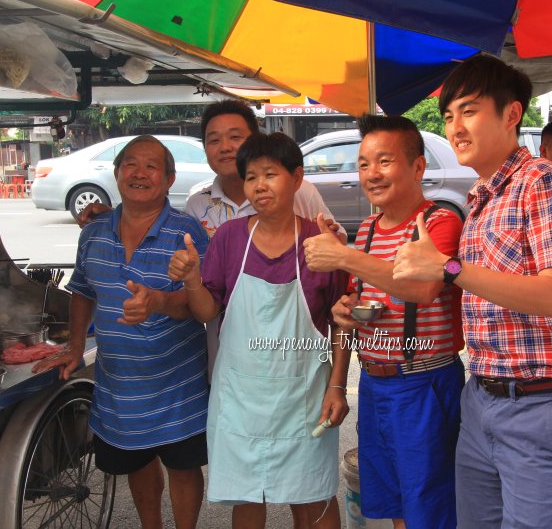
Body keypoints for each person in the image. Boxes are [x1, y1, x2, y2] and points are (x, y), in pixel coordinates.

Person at [392, 54, 552, 529]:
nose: (455, 127)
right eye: (448, 116)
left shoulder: (548, 183)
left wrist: (448, 268)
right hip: (483, 396)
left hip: (544, 405)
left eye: (469, 110)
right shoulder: (483, 196)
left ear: (511, 115)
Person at [79, 100, 345, 379]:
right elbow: (173, 239)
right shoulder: (199, 203)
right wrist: (115, 215)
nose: (225, 147)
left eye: (235, 137)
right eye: (214, 140)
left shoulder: (299, 191)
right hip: (229, 354)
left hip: (298, 356)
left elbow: (332, 250)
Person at [168, 132, 350, 529]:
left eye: (271, 174)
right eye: (252, 177)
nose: (260, 186)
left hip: (304, 395)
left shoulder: (322, 242)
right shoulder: (231, 238)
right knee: (247, 499)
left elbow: (342, 322)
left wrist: (337, 385)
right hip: (240, 398)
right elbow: (207, 311)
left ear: (297, 178)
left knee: (313, 498)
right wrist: (193, 280)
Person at [33, 135, 211, 529]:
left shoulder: (187, 232)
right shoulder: (93, 232)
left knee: (183, 467)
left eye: (151, 166)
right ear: (116, 174)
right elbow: (82, 292)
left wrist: (159, 302)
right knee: (138, 460)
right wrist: (75, 345)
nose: (139, 173)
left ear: (168, 178)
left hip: (177, 383)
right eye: (130, 164)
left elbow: (202, 303)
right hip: (120, 384)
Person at [303, 115, 464, 529]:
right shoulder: (370, 229)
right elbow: (366, 306)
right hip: (375, 384)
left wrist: (343, 256)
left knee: (428, 505)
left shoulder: (440, 222)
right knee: (394, 502)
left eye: (384, 161)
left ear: (417, 167)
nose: (371, 174)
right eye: (363, 164)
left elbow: (425, 289)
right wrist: (346, 314)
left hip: (423, 383)